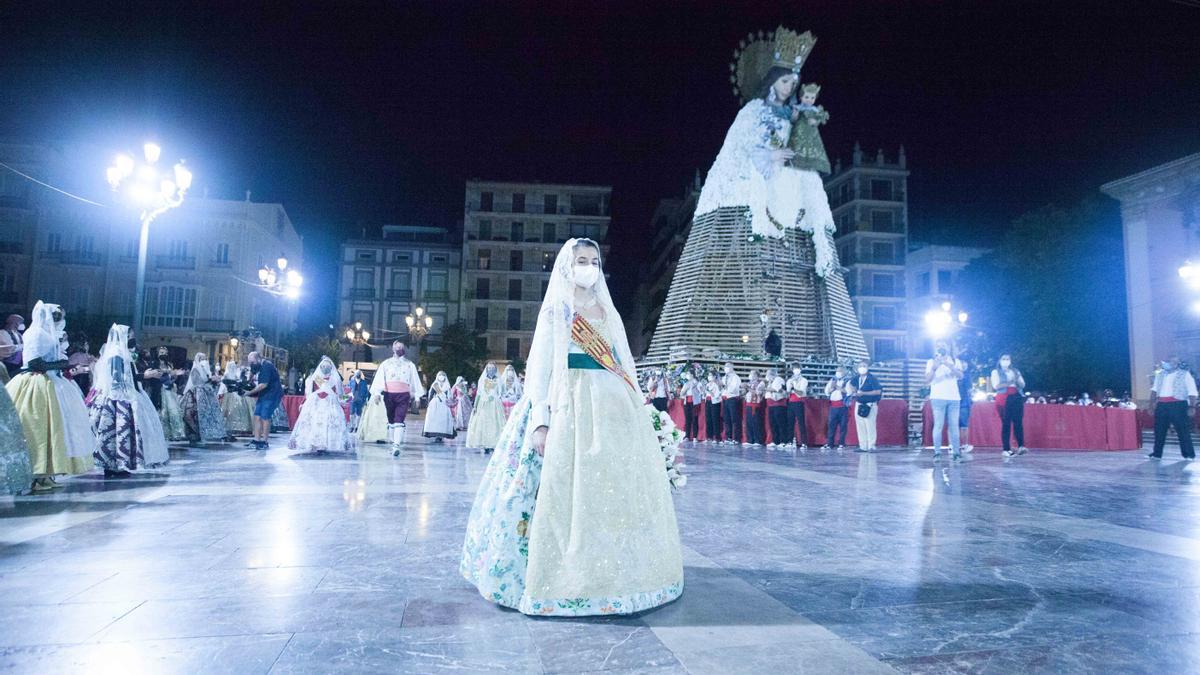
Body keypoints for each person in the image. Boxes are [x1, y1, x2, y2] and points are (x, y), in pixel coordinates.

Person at [461, 237, 683, 616]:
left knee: (614, 491)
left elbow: (624, 362)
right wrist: (541, 422)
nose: (588, 266)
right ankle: (567, 574)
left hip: (614, 409)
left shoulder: (608, 311)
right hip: (570, 407)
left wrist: (640, 407)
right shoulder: (557, 311)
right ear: (567, 265)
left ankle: (617, 572)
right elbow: (541, 370)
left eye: (594, 260)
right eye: (581, 260)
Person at [6, 302, 93, 491]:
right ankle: (36, 474)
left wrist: (61, 366)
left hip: (50, 382)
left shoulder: (45, 334)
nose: (59, 320)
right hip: (37, 382)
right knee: (38, 429)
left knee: (53, 429)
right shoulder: (37, 334)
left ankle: (46, 473)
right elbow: (36, 363)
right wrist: (63, 365)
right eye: (56, 317)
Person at [87, 325, 147, 476]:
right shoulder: (116, 352)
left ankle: (117, 465)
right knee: (114, 432)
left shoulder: (119, 352)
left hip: (118, 396)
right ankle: (112, 465)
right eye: (130, 336)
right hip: (115, 397)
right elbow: (116, 377)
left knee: (117, 433)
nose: (132, 339)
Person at [288, 356, 355, 454]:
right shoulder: (331, 378)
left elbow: (309, 394)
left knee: (319, 422)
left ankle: (317, 444)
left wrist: (348, 397)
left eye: (326, 366)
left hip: (319, 403)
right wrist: (349, 397)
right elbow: (340, 397)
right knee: (321, 422)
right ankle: (319, 444)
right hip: (323, 403)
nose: (325, 368)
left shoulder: (321, 378)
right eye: (324, 366)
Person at [370, 341, 426, 456]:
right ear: (393, 349)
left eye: (401, 346)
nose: (399, 348)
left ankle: (396, 445)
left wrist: (417, 396)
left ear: (404, 348)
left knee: (399, 419)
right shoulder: (386, 364)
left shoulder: (409, 364)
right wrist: (377, 393)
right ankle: (393, 442)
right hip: (389, 394)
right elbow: (380, 378)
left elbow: (414, 380)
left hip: (403, 395)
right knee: (391, 420)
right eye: (397, 346)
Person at [1148, 356, 1196, 460]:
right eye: (1170, 361)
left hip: (1178, 404)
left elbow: (1192, 390)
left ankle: (1188, 454)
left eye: (1175, 362)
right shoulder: (1160, 375)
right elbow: (1154, 390)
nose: (1172, 363)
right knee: (1159, 430)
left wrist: (1192, 406)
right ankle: (1157, 454)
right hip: (1162, 404)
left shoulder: (1185, 374)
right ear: (1167, 362)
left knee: (1183, 430)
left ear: (1178, 363)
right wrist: (1151, 405)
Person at [926, 340, 964, 461]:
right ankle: (937, 453)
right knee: (938, 425)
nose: (941, 347)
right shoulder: (931, 362)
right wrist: (934, 368)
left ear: (948, 347)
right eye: (938, 345)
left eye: (944, 345)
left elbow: (961, 376)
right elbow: (927, 380)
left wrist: (949, 365)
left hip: (954, 398)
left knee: (954, 426)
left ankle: (956, 453)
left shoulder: (955, 361)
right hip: (938, 397)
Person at [182, 353, 227, 444]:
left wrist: (212, 380)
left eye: (205, 358)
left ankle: (207, 433)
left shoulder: (206, 369)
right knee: (195, 415)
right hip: (197, 395)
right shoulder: (195, 369)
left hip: (207, 394)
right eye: (202, 359)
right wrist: (210, 380)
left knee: (207, 414)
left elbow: (207, 379)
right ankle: (196, 435)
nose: (205, 360)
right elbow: (196, 382)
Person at [990, 354, 1028, 458]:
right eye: (1003, 359)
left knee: (1018, 422)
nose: (1006, 361)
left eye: (1008, 359)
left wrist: (1017, 380)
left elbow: (1022, 384)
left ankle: (1021, 446)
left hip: (1016, 396)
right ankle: (1006, 448)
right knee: (1006, 423)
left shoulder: (1015, 371)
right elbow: (996, 386)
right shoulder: (996, 372)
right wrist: (1009, 382)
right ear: (1000, 360)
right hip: (1004, 397)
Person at [245, 351, 284, 450]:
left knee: (265, 417)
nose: (252, 364)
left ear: (258, 359)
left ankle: (265, 442)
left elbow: (263, 384)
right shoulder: (258, 365)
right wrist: (247, 381)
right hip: (264, 394)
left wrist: (249, 392)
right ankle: (257, 440)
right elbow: (252, 373)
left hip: (272, 394)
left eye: (252, 362)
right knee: (257, 416)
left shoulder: (267, 366)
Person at [466, 362, 505, 452]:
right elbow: (479, 394)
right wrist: (475, 406)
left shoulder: (498, 380)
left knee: (494, 424)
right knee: (483, 423)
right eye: (489, 368)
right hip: (483, 404)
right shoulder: (482, 380)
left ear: (495, 369)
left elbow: (501, 393)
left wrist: (495, 397)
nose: (491, 370)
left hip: (494, 404)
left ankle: (493, 443)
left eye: (492, 368)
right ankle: (485, 444)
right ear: (486, 369)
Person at [850, 360, 883, 453]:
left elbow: (878, 391)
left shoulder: (872, 378)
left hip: (870, 404)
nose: (862, 368)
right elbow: (851, 384)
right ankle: (863, 446)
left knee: (870, 425)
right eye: (860, 366)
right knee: (860, 425)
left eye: (864, 366)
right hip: (859, 403)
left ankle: (871, 446)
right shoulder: (856, 378)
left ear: (867, 368)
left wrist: (864, 393)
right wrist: (854, 391)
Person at [156, 348, 187, 442]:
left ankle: (177, 433)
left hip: (171, 389)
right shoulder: (155, 364)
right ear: (158, 354)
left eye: (165, 353)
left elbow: (173, 375)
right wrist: (170, 372)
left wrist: (174, 376)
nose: (163, 354)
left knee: (174, 411)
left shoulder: (169, 364)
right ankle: (165, 434)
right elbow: (158, 374)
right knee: (164, 412)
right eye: (161, 352)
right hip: (161, 389)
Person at [219, 361, 253, 437]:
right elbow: (224, 385)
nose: (233, 368)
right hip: (229, 395)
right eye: (232, 366)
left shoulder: (235, 375)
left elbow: (239, 383)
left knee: (239, 410)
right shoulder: (227, 375)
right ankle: (228, 428)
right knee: (229, 411)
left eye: (234, 366)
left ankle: (240, 427)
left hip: (236, 395)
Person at [423, 371, 457, 443]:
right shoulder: (435, 385)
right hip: (435, 404)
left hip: (444, 405)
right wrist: (429, 403)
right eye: (440, 375)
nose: (441, 376)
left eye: (443, 375)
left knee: (443, 420)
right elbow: (431, 395)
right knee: (435, 420)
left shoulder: (447, 386)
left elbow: (449, 397)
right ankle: (435, 434)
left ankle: (441, 435)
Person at [823, 366, 850, 451]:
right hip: (833, 407)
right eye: (837, 371)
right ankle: (830, 443)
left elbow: (848, 392)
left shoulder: (847, 381)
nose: (838, 372)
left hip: (843, 406)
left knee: (843, 426)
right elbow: (827, 392)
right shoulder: (832, 380)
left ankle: (841, 443)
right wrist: (832, 388)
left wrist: (838, 387)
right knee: (831, 426)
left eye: (840, 371)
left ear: (844, 372)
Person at [786, 365, 809, 450]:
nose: (796, 370)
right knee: (790, 423)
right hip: (791, 402)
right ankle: (790, 441)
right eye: (794, 369)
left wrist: (794, 388)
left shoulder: (804, 380)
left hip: (799, 402)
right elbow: (788, 392)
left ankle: (804, 442)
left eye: (797, 368)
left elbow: (801, 393)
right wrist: (789, 388)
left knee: (801, 423)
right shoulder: (790, 380)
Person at [721, 362, 744, 445]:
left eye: (728, 366)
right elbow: (722, 388)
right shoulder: (724, 377)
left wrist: (725, 387)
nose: (726, 368)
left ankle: (737, 438)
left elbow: (733, 389)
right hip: (725, 399)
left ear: (732, 367)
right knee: (727, 419)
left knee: (735, 419)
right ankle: (728, 437)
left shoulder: (735, 377)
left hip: (733, 399)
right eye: (725, 366)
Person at [764, 368, 788, 448]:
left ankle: (783, 441)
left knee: (780, 423)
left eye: (768, 374)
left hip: (779, 404)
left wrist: (765, 389)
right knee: (773, 423)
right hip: (771, 404)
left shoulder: (778, 379)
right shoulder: (770, 382)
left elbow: (776, 389)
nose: (766, 376)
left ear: (772, 374)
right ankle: (775, 441)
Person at [679, 370, 703, 441]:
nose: (687, 375)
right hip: (687, 402)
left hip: (695, 402)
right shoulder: (686, 383)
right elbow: (681, 394)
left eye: (688, 374)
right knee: (687, 419)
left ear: (692, 375)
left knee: (694, 419)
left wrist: (695, 388)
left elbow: (701, 391)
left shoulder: (697, 383)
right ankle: (687, 436)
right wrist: (685, 390)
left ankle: (695, 436)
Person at [744, 369, 766, 446]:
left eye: (753, 374)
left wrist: (748, 388)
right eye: (750, 374)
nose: (751, 376)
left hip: (756, 405)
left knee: (756, 423)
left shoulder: (761, 383)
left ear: (757, 376)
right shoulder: (749, 383)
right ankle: (750, 439)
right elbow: (746, 393)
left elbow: (758, 392)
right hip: (748, 404)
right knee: (749, 422)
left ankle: (758, 440)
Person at [0, 313, 25, 380]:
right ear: (15, 323)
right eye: (21, 323)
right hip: (9, 364)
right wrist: (22, 346)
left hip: (19, 364)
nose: (22, 325)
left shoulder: (18, 333)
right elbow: (8, 349)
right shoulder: (2, 333)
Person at [704, 371, 722, 442]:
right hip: (708, 401)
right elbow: (705, 394)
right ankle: (709, 436)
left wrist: (710, 392)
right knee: (708, 419)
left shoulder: (717, 384)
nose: (709, 377)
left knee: (715, 419)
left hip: (715, 402)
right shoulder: (708, 384)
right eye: (708, 375)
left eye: (711, 375)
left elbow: (717, 395)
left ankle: (717, 437)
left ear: (714, 376)